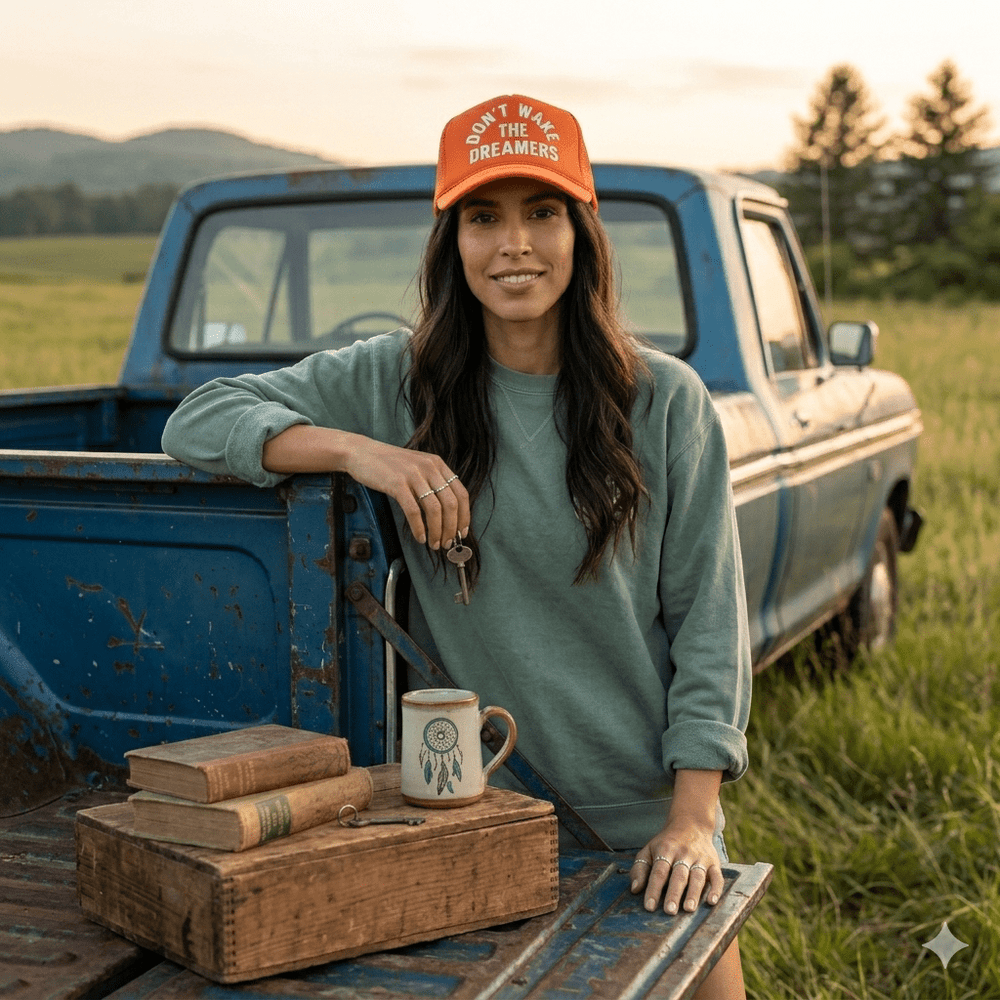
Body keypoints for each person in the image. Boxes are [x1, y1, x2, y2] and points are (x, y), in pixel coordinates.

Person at [162, 94, 752, 999]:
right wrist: (366, 451)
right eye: (484, 217)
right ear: (452, 241)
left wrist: (692, 818)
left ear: (582, 232)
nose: (514, 243)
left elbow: (710, 624)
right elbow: (200, 419)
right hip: (472, 816)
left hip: (643, 820)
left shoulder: (664, 401)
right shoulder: (396, 381)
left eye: (541, 212)